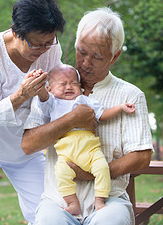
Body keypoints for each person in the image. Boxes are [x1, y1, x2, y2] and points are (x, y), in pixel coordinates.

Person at [21, 7, 153, 225]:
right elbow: (28, 144)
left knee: (112, 223)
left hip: (109, 200)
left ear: (115, 55)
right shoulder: (53, 87)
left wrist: (93, 173)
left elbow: (141, 157)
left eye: (97, 56)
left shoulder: (130, 95)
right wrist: (72, 119)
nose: (85, 63)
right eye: (81, 52)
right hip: (58, 200)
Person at [0, 0, 73, 225]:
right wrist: (20, 96)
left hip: (24, 146)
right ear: (15, 32)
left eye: (49, 42)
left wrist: (44, 95)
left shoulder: (50, 48)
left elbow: (50, 104)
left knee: (47, 210)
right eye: (35, 44)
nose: (43, 50)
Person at [35, 64, 135, 215]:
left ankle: (100, 199)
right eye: (62, 84)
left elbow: (102, 114)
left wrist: (120, 108)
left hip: (90, 150)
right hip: (66, 154)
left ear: (80, 86)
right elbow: (43, 99)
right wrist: (40, 87)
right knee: (61, 173)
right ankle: (72, 203)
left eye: (74, 83)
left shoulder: (84, 100)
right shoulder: (52, 103)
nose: (69, 87)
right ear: (50, 89)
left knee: (103, 168)